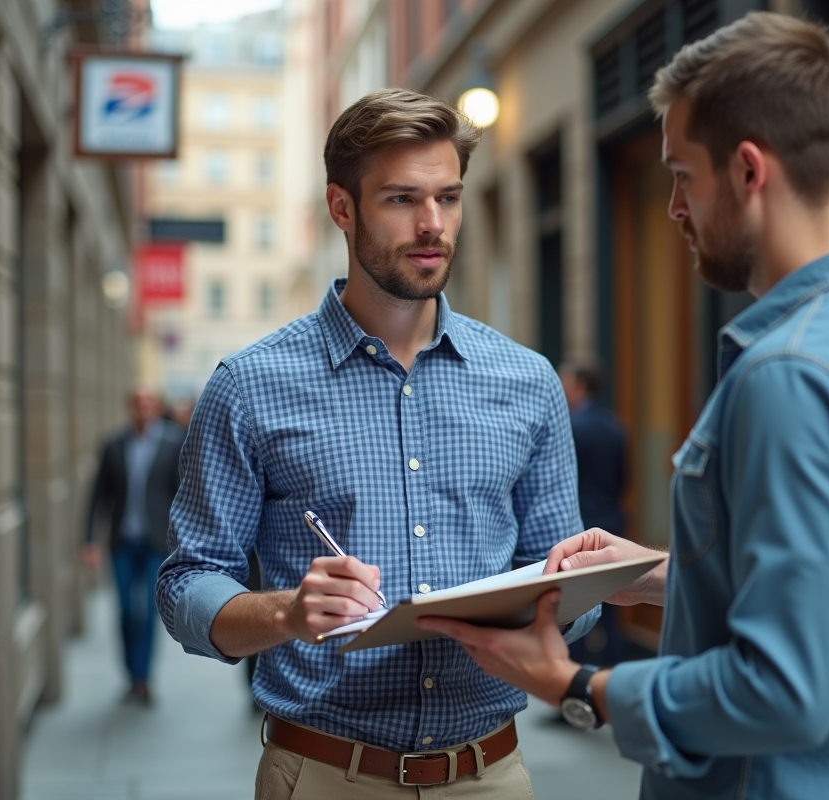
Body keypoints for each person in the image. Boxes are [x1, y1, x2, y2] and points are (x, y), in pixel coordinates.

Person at [416, 12, 829, 800]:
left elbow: (783, 687)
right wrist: (651, 577)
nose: (675, 207)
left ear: (749, 171)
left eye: (682, 175)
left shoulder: (790, 376)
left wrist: (573, 685)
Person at [155, 88, 596, 799]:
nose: (433, 225)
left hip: (491, 775)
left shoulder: (529, 381)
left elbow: (571, 588)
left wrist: (560, 598)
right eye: (401, 199)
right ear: (342, 208)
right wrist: (287, 613)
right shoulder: (250, 385)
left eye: (448, 198)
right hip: (324, 774)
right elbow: (186, 585)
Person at [84, 381, 187, 705]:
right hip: (122, 542)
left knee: (150, 612)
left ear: (156, 406)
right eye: (137, 402)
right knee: (128, 608)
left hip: (157, 542)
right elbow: (98, 495)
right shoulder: (113, 445)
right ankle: (131, 673)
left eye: (148, 402)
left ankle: (143, 679)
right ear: (130, 407)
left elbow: (183, 495)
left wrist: (184, 540)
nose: (143, 407)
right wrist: (89, 540)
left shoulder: (174, 443)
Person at [558, 357, 627, 667]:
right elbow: (625, 479)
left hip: (582, 527)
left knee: (577, 602)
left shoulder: (573, 428)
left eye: (565, 381)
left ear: (578, 385)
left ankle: (575, 679)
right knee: (614, 605)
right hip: (612, 520)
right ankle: (611, 669)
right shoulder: (615, 425)